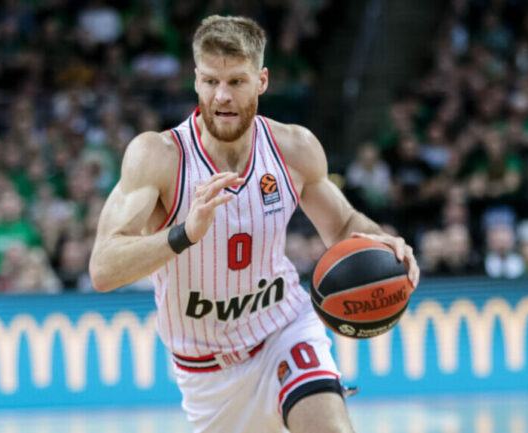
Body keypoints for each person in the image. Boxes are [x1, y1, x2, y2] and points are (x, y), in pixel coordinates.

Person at [89, 16, 420, 433]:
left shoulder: (294, 147)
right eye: (210, 81)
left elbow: (343, 224)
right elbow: (103, 269)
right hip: (207, 373)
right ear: (196, 80)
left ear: (262, 81)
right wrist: (183, 234)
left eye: (236, 82)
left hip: (284, 331)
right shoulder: (158, 156)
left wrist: (383, 242)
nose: (222, 96)